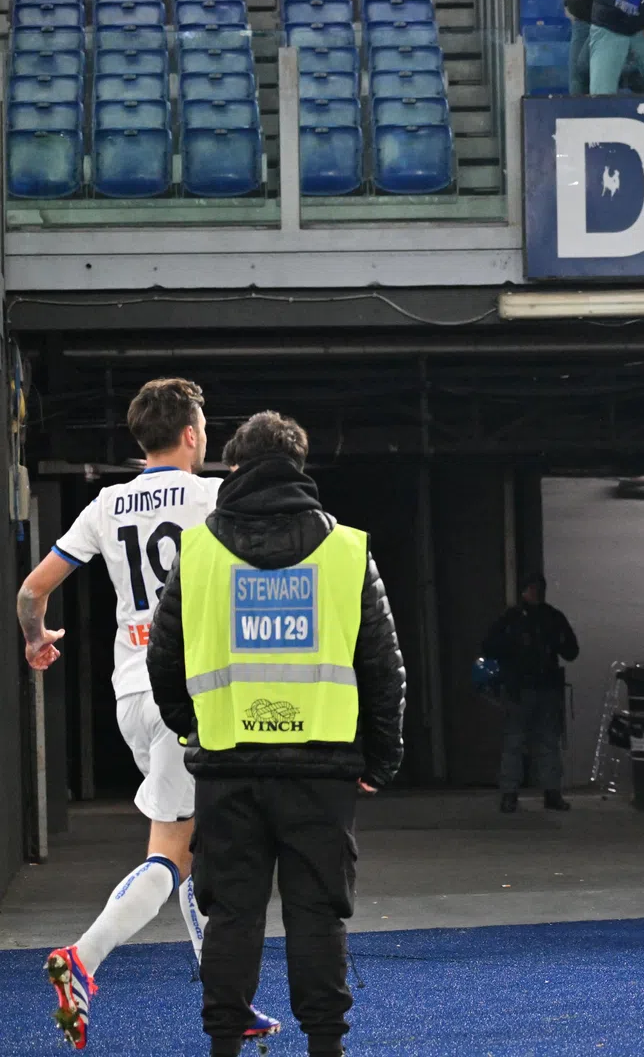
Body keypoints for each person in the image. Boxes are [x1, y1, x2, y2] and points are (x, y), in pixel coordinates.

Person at [17, 379, 280, 1051]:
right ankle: (84, 957)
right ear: (193, 433)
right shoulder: (217, 498)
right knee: (169, 850)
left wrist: (36, 638)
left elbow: (31, 590)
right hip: (190, 695)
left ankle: (230, 998)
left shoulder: (106, 504)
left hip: (132, 692)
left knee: (191, 850)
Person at [146, 411, 405, 1057]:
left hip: (228, 769)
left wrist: (191, 725)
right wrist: (382, 756)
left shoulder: (198, 552)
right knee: (317, 914)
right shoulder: (347, 552)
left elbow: (162, 657)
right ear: (299, 467)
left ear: (234, 468)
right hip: (321, 773)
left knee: (230, 915)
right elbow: (383, 665)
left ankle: (225, 1047)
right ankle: (325, 1046)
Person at [484, 571, 581, 813]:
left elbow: (571, 650)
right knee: (523, 741)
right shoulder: (518, 619)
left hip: (539, 687)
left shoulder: (542, 618)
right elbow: (490, 647)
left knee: (536, 741)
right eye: (532, 588)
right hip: (524, 687)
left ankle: (534, 793)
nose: (535, 592)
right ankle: (518, 793)